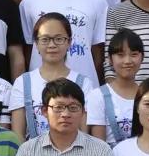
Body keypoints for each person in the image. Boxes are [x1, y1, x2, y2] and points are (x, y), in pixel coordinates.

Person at [10, 13, 94, 142]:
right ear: (36, 43)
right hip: (33, 153)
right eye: (45, 39)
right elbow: (18, 135)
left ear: (69, 42)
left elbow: (84, 133)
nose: (52, 45)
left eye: (59, 39)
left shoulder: (84, 84)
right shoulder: (23, 82)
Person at [88, 29, 144, 147]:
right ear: (110, 59)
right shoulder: (98, 96)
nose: (127, 61)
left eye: (134, 54)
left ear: (142, 58)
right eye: (120, 55)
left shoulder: (148, 95)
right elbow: (99, 147)